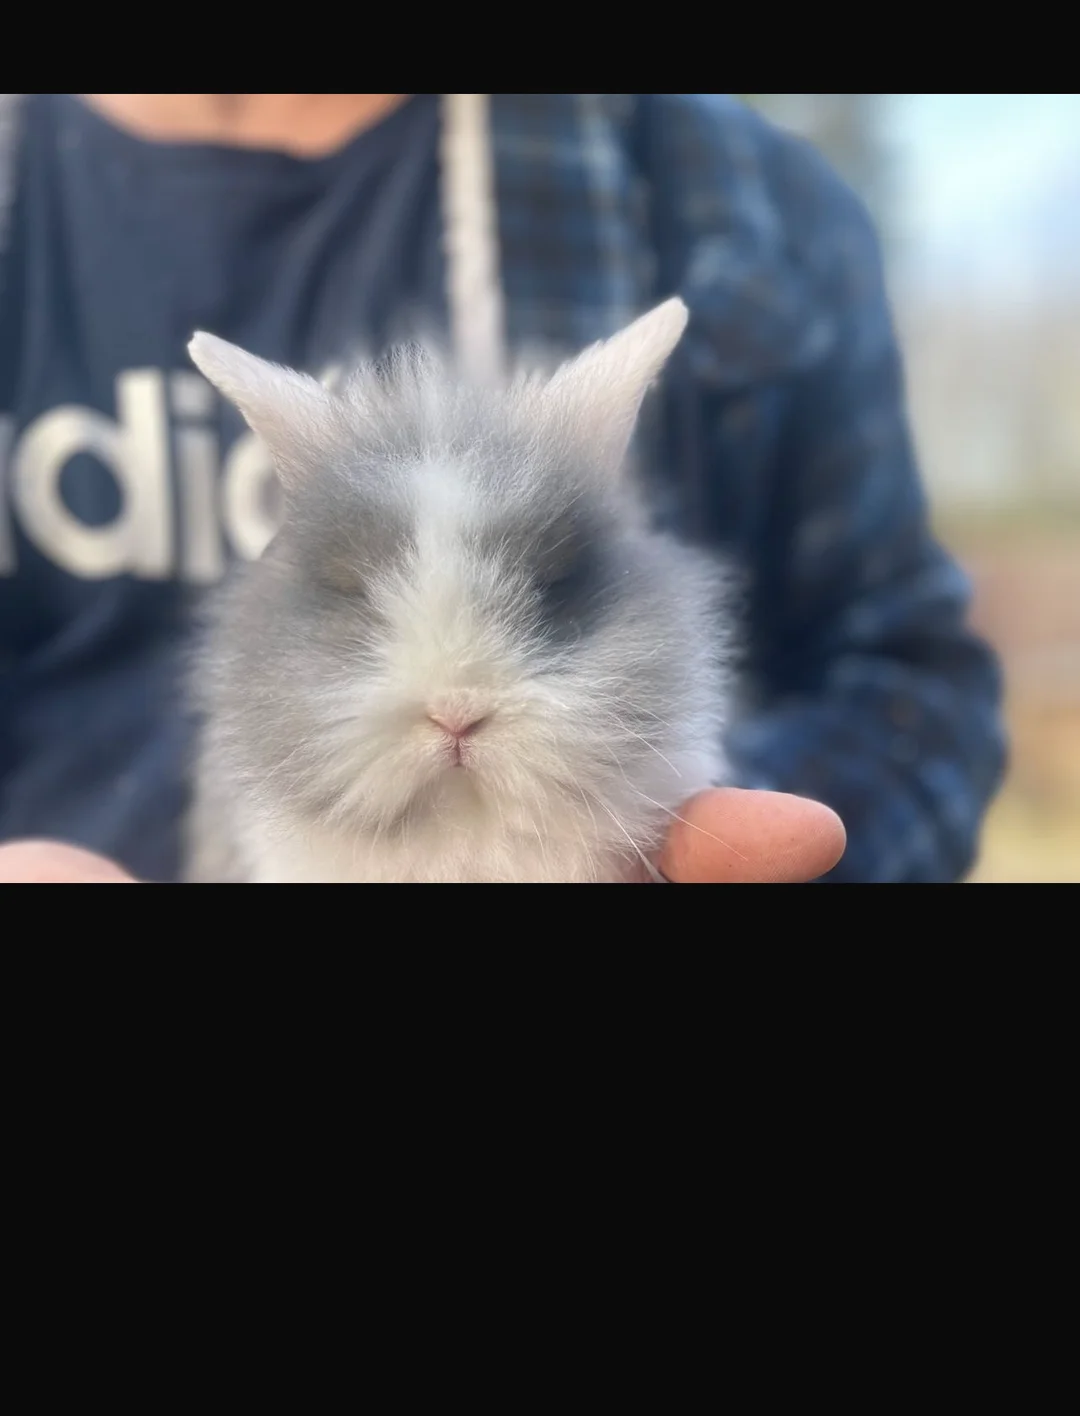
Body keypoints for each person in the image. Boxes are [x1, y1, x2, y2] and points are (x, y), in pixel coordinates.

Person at [0, 94, 1005, 884]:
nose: (452, 709)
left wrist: (728, 846)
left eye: (549, 598)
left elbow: (911, 683)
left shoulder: (733, 197)